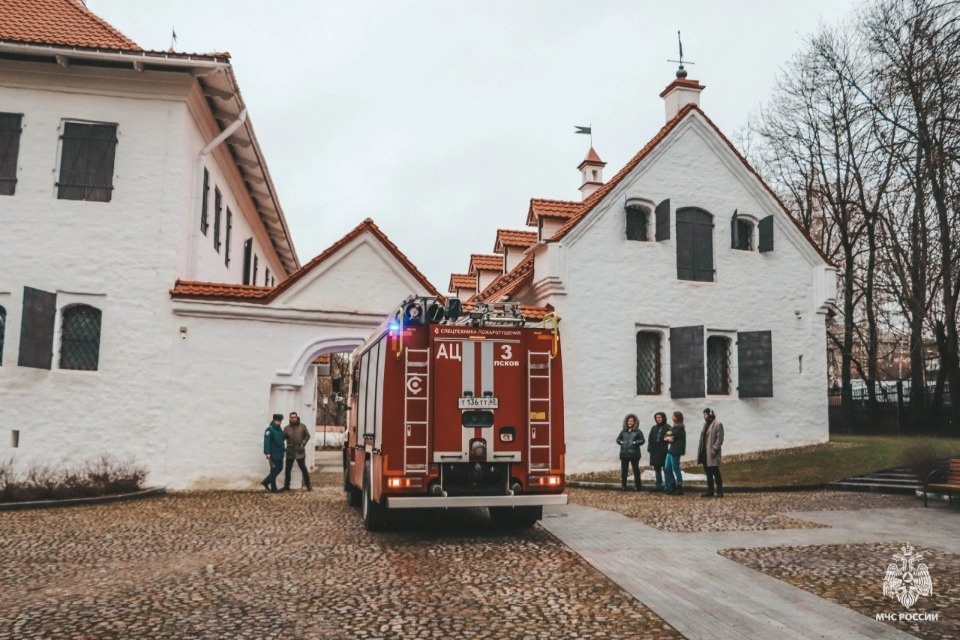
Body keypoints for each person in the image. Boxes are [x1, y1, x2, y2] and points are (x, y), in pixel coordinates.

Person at [698, 408, 725, 498]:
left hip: (712, 453)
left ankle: (720, 491)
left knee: (715, 472)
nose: (704, 417)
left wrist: (714, 449)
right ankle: (710, 490)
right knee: (708, 472)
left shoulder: (718, 424)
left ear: (710, 415)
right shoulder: (705, 424)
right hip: (704, 452)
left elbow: (719, 439)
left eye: (705, 415)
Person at [282, 411, 312, 491]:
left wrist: (303, 443)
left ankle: (308, 485)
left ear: (297, 417)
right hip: (290, 450)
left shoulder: (302, 426)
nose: (293, 419)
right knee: (288, 469)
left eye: (295, 417)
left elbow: (307, 436)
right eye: (292, 417)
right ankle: (286, 485)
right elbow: (282, 438)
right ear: (290, 418)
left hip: (300, 450)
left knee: (303, 468)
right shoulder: (286, 428)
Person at [616, 413, 645, 491]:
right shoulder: (623, 431)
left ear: (634, 422)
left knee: (636, 471)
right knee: (624, 471)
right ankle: (623, 486)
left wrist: (635, 442)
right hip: (624, 454)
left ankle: (637, 486)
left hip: (634, 454)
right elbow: (618, 439)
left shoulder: (638, 431)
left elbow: (642, 440)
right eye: (629, 421)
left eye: (632, 421)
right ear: (626, 422)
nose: (630, 423)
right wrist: (621, 442)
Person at [663, 411, 686, 495]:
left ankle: (679, 487)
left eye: (673, 416)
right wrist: (667, 437)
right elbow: (666, 436)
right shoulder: (674, 427)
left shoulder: (679, 427)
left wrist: (668, 438)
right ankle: (672, 485)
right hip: (671, 450)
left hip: (676, 450)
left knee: (675, 468)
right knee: (667, 468)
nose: (672, 417)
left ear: (677, 418)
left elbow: (672, 437)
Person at [261, 414, 285, 492]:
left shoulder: (280, 429)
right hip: (273, 453)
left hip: (280, 453)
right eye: (278, 420)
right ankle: (274, 488)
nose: (279, 422)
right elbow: (266, 441)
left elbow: (282, 439)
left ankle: (266, 482)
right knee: (274, 470)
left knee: (280, 468)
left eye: (280, 421)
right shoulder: (269, 430)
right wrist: (267, 452)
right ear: (274, 420)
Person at [647, 412, 669, 492]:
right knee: (657, 469)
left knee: (666, 469)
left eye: (660, 417)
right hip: (655, 452)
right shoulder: (654, 428)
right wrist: (650, 447)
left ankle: (667, 485)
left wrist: (665, 449)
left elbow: (669, 440)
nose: (658, 419)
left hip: (664, 453)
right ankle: (659, 485)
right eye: (657, 417)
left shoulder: (667, 427)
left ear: (663, 418)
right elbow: (650, 439)